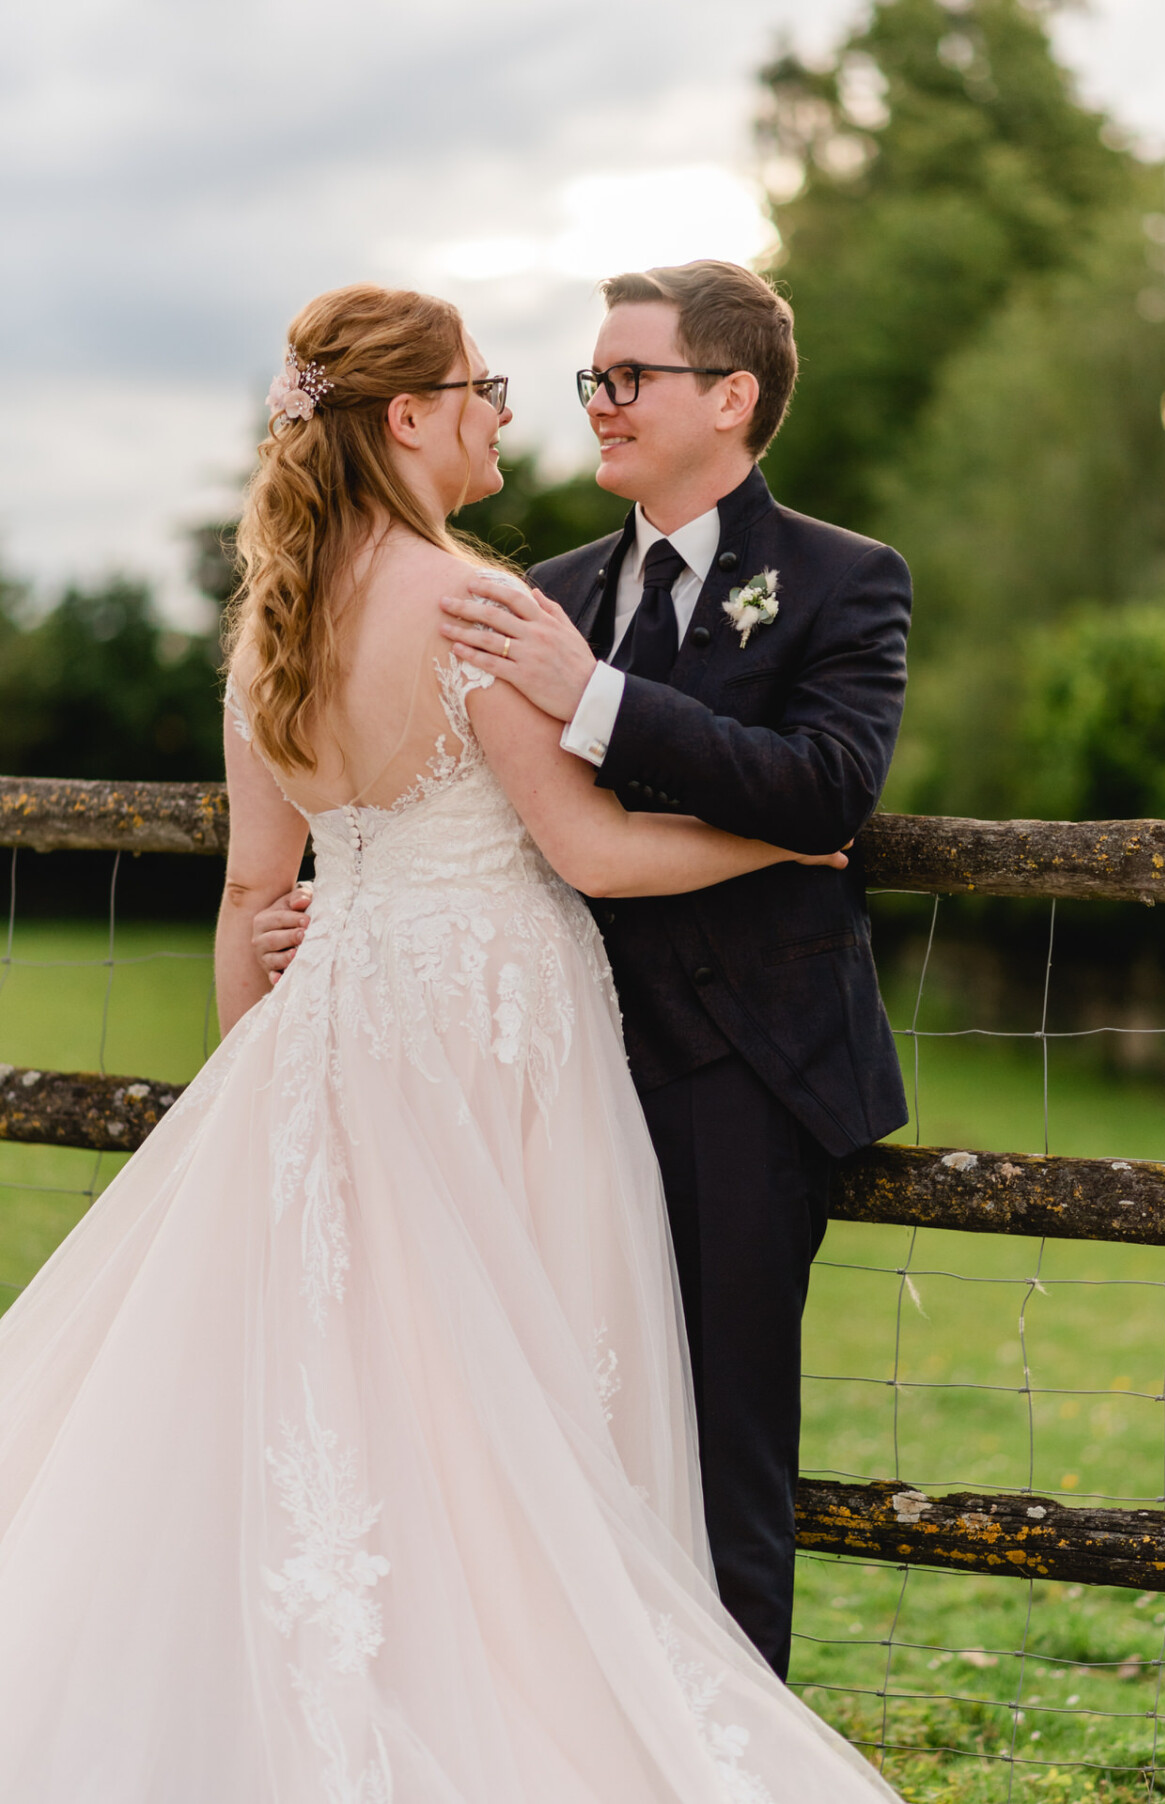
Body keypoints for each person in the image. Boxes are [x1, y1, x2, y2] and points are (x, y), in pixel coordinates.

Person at [0, 282, 899, 1800]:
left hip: (331, 1041)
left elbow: (248, 896)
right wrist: (787, 851)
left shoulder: (272, 622)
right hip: (495, 1041)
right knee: (507, 1390)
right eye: (485, 387)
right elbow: (598, 855)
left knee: (351, 1376)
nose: (511, 410)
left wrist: (267, 1095)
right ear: (406, 417)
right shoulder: (479, 602)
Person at [263, 261, 912, 1679]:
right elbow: (485, 814)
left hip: (744, 1073)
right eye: (592, 379)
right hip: (531, 1081)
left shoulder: (841, 580)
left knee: (721, 1453)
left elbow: (827, 789)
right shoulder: (534, 592)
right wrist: (333, 910)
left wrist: (599, 696)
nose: (597, 405)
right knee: (544, 1428)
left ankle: (718, 1730)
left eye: (631, 378)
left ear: (731, 398)